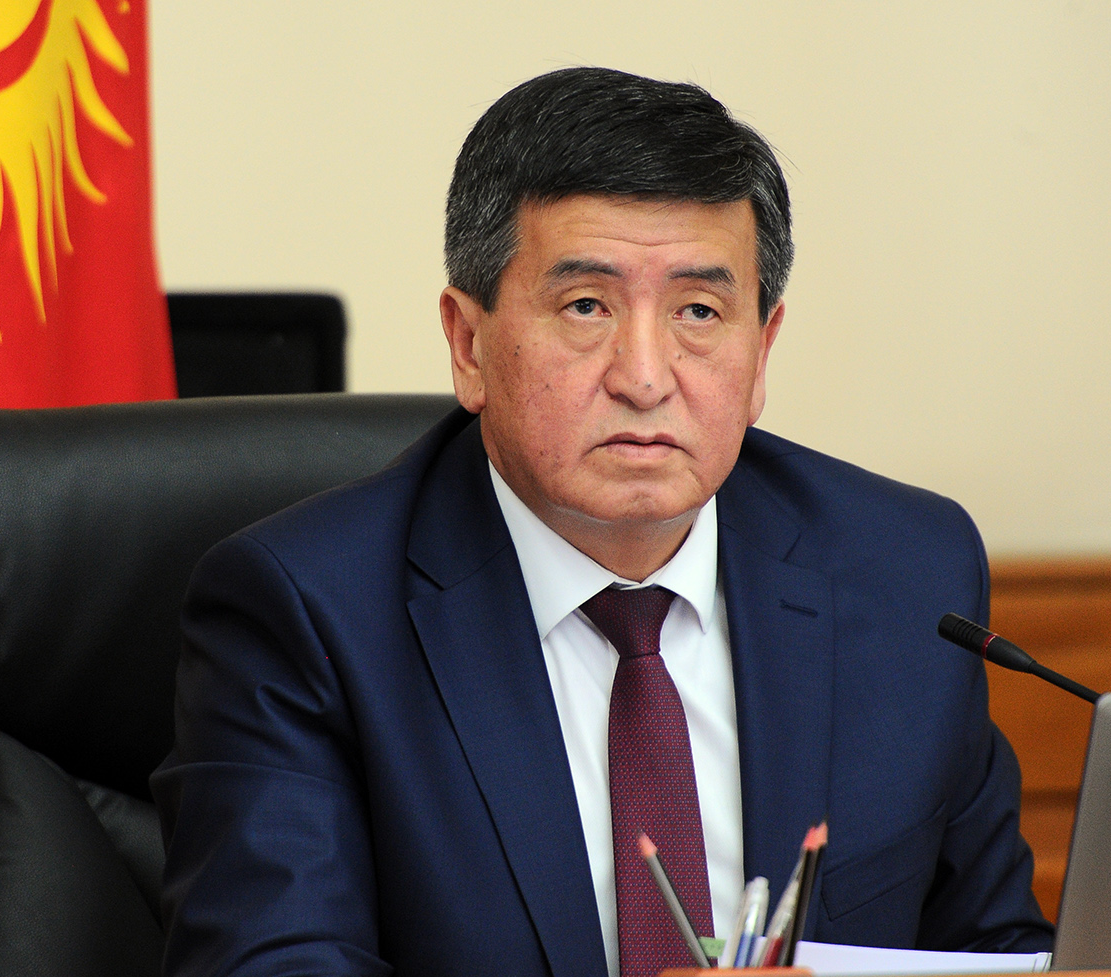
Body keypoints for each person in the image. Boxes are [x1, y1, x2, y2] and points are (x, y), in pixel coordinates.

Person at [152, 67, 1054, 977]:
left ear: (762, 349)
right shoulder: (307, 613)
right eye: (587, 306)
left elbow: (1003, 950)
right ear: (468, 344)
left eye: (699, 311)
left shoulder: (907, 576)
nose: (646, 376)